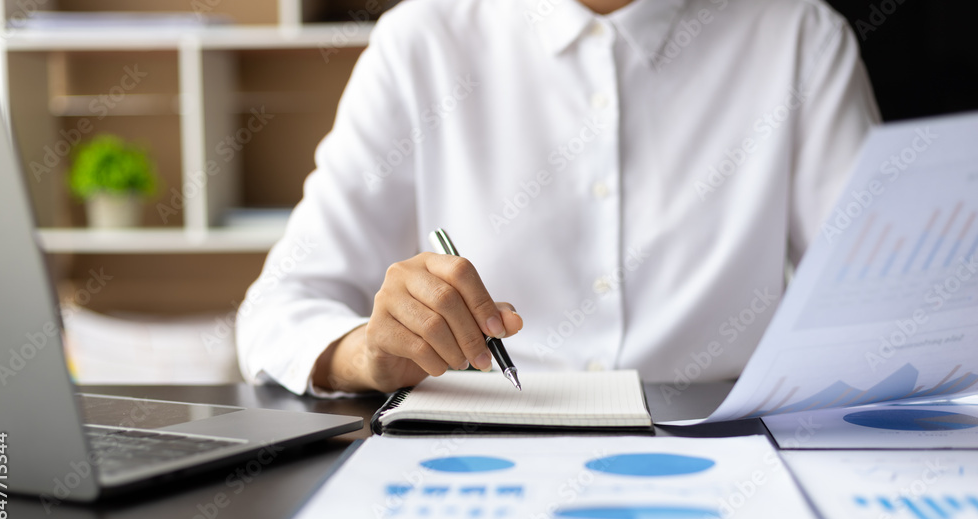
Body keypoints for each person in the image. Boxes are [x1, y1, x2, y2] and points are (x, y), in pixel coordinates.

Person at [236, 0, 880, 397]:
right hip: (482, 452)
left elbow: (880, 306)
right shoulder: (422, 41)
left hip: (727, 448)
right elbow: (276, 313)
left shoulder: (801, 37)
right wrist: (371, 354)